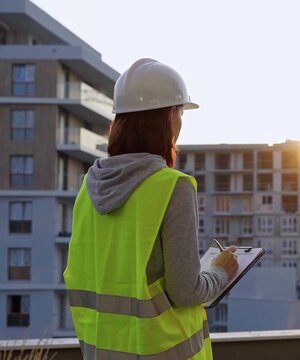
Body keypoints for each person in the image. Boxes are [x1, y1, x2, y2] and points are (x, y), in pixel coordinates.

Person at [63, 58, 239, 360]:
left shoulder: (87, 189)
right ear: (171, 115)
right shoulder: (173, 187)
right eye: (181, 112)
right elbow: (186, 291)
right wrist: (221, 273)